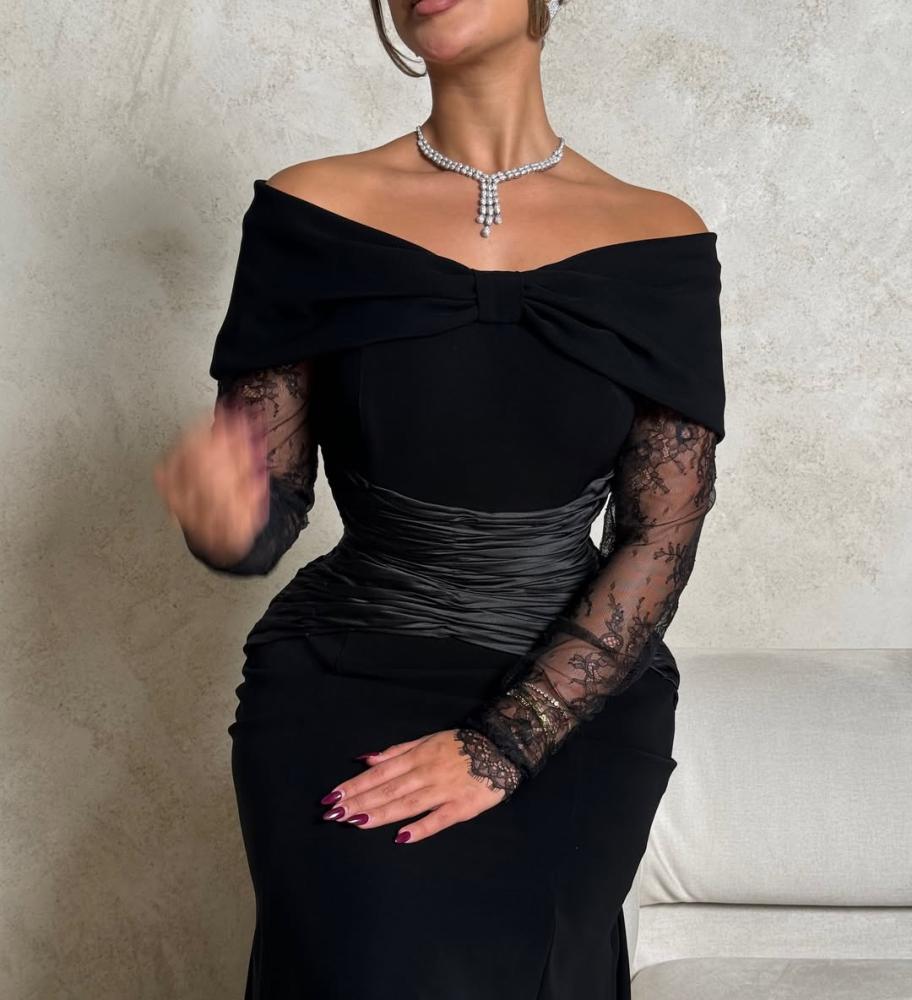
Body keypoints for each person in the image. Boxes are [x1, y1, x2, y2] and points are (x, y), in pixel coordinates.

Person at [153, 1, 725, 996]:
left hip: (576, 710)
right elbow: (266, 510)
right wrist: (225, 520)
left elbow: (660, 534)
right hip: (343, 683)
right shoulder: (311, 213)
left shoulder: (661, 240)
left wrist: (507, 742)